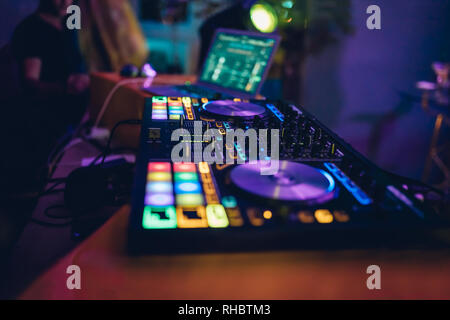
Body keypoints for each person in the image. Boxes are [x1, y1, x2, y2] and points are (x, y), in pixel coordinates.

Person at [3, 0, 89, 195]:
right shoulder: (32, 29)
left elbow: (75, 62)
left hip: (74, 121)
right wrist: (66, 87)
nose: (66, 1)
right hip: (47, 127)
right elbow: (30, 85)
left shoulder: (69, 22)